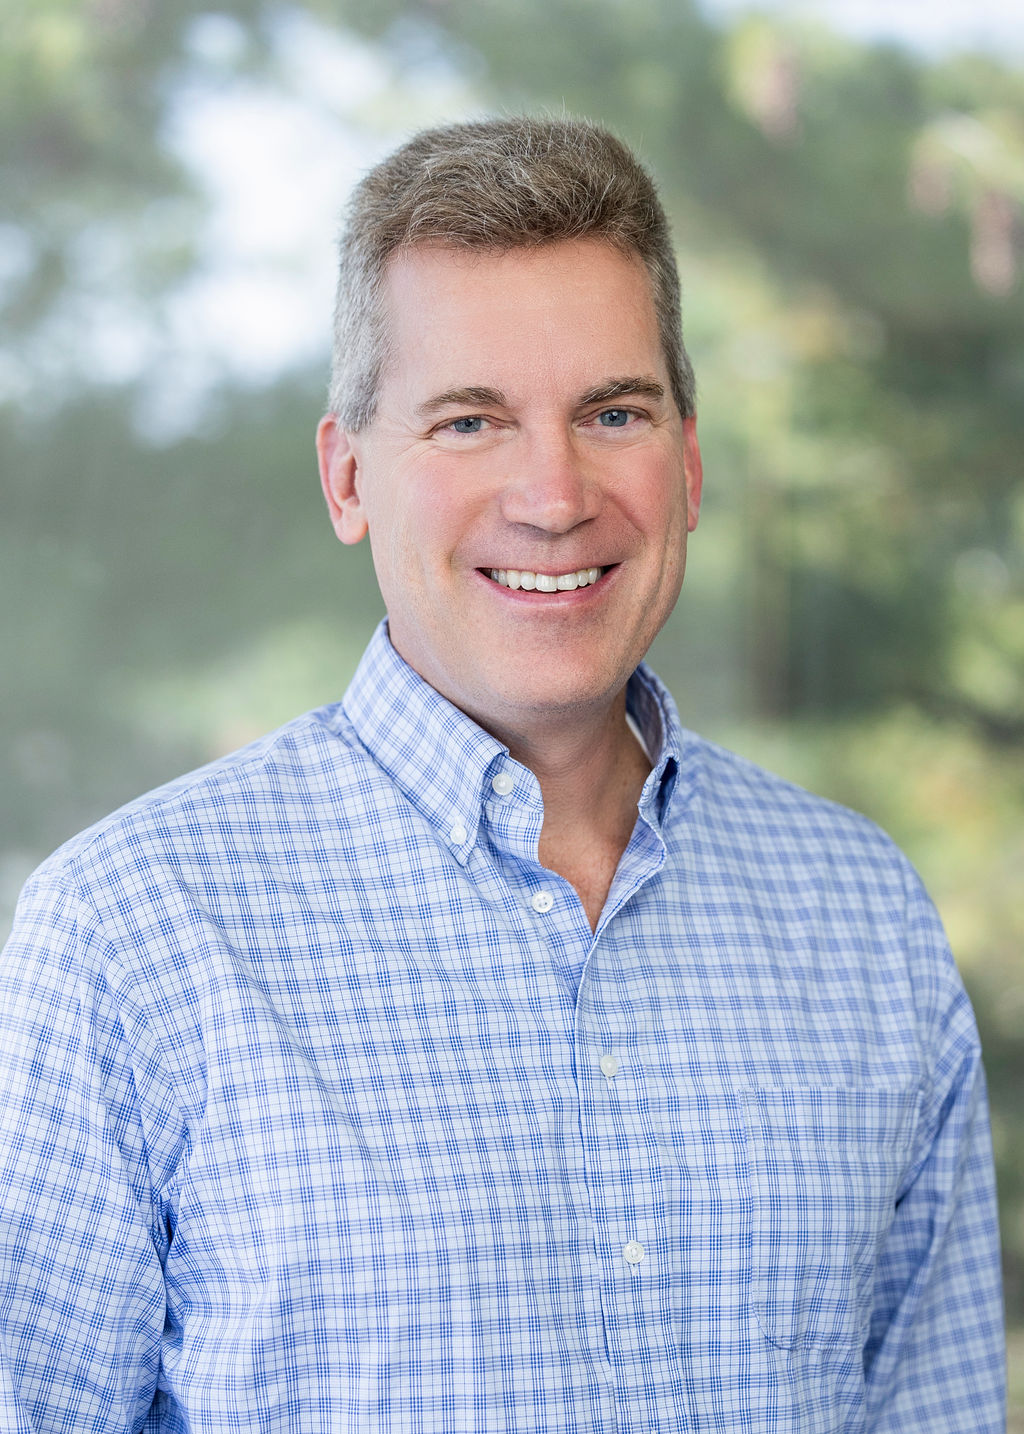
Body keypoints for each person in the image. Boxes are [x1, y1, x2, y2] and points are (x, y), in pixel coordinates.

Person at [0, 116, 1004, 1433]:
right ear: (347, 477)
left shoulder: (861, 912)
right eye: (469, 420)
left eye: (613, 412)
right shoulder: (131, 935)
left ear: (690, 464)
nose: (553, 493)